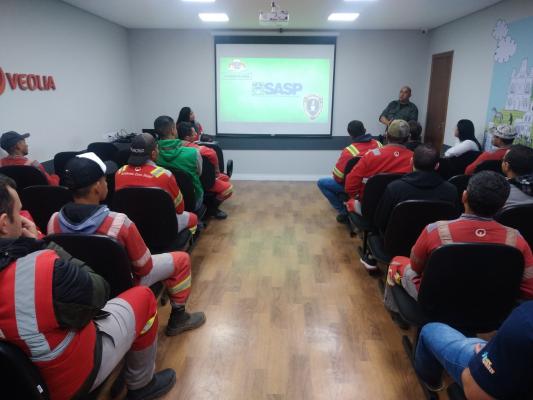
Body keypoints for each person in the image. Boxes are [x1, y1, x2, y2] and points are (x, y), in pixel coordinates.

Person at [0, 177, 176, 400]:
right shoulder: (42, 269)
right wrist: (40, 246)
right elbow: (99, 293)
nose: (23, 217)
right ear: (4, 223)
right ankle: (142, 385)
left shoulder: (54, 221)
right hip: (67, 381)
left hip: (13, 385)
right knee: (145, 298)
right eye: (19, 212)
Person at [47, 152, 206, 336]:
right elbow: (145, 267)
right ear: (97, 187)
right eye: (104, 180)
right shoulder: (119, 223)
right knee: (182, 260)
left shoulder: (53, 221)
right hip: (123, 287)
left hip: (80, 291)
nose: (107, 183)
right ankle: (179, 318)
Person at [383, 171, 533, 326]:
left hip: (437, 303)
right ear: (502, 205)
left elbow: (416, 266)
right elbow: (529, 289)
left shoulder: (435, 231)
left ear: (464, 196)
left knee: (397, 262)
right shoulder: (517, 240)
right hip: (490, 310)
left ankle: (398, 315)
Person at [414, 301, 533, 398]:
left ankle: (432, 382)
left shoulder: (525, 321)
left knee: (429, 330)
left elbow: (475, 391)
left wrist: (487, 359)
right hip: (492, 325)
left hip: (498, 382)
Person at [115, 133, 198, 233]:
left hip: (133, 226)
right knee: (193, 218)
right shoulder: (165, 175)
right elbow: (180, 209)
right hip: (162, 227)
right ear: (154, 153)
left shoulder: (119, 173)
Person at [374, 144, 458, 234]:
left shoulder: (394, 188)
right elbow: (454, 220)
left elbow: (380, 221)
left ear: (411, 161)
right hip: (436, 240)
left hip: (397, 240)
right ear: (437, 166)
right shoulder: (451, 190)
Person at [317, 120, 382, 223]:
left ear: (350, 135)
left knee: (322, 183)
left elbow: (338, 177)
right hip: (377, 186)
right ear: (365, 130)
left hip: (357, 189)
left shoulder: (349, 151)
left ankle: (344, 212)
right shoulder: (379, 144)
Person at [345, 119, 413, 215]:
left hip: (371, 210)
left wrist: (359, 197)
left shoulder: (370, 156)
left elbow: (350, 186)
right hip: (401, 212)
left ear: (386, 135)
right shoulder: (415, 159)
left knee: (350, 203)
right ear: (409, 138)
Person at [177, 122, 233, 219]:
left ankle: (205, 203)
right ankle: (211, 208)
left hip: (183, 183)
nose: (196, 134)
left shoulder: (169, 148)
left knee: (225, 177)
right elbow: (212, 154)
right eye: (194, 133)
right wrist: (216, 171)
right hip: (198, 181)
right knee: (228, 188)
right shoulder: (196, 149)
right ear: (187, 138)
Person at [154, 116, 204, 212]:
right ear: (173, 130)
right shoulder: (193, 152)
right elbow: (199, 173)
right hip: (192, 202)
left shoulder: (152, 155)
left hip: (165, 201)